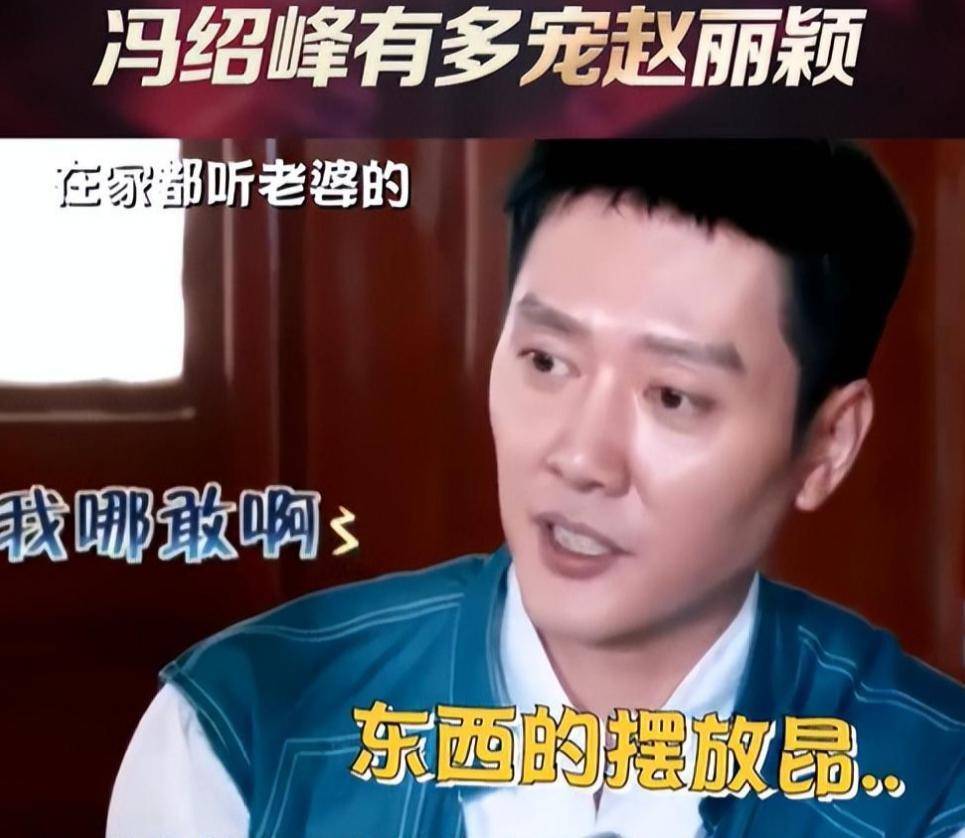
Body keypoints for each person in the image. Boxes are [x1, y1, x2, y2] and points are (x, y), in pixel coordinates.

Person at [108, 140, 965, 837]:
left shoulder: (931, 784)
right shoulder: (243, 731)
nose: (581, 457)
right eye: (546, 362)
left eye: (673, 396)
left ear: (826, 444)